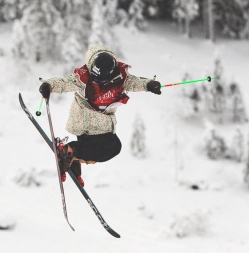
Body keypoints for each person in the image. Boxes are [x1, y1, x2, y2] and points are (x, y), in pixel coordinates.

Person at [39, 45, 161, 187]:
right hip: (84, 122)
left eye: (103, 81)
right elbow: (64, 83)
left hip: (102, 125)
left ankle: (72, 158)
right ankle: (69, 152)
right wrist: (48, 86)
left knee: (113, 147)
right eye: (96, 79)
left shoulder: (120, 76)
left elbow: (134, 82)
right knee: (111, 146)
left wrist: (149, 84)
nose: (99, 83)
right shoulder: (83, 77)